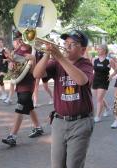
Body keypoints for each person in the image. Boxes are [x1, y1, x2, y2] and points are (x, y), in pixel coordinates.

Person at [34, 30, 94, 168]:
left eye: (72, 44)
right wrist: (48, 54)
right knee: (57, 165)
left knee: (73, 165)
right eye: (65, 43)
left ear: (83, 50)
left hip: (81, 122)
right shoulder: (56, 63)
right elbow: (37, 74)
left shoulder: (85, 64)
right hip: (59, 122)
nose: (67, 46)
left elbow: (81, 80)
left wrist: (59, 57)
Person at [1, 33, 44, 146]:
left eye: (21, 39)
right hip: (19, 83)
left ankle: (12, 136)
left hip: (28, 84)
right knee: (29, 107)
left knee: (19, 108)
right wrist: (10, 63)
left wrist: (33, 60)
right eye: (18, 39)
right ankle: (38, 127)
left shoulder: (33, 50)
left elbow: (35, 73)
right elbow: (14, 66)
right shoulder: (17, 50)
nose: (20, 41)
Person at [91, 44, 117, 123]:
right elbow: (91, 69)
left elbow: (116, 69)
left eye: (99, 49)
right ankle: (107, 108)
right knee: (99, 97)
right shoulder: (94, 59)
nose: (98, 50)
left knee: (99, 99)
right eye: (97, 49)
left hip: (104, 81)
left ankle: (97, 116)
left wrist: (111, 76)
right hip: (95, 80)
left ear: (104, 50)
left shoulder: (109, 60)